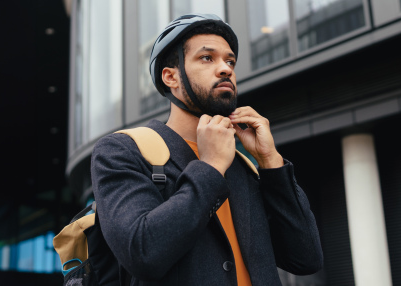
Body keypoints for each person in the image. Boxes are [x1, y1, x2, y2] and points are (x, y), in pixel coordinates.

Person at [91, 14, 323, 286]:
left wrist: (270, 161)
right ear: (171, 77)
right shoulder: (122, 151)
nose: (225, 69)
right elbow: (142, 253)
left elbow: (305, 259)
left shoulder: (244, 167)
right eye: (207, 58)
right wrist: (211, 166)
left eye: (230, 61)